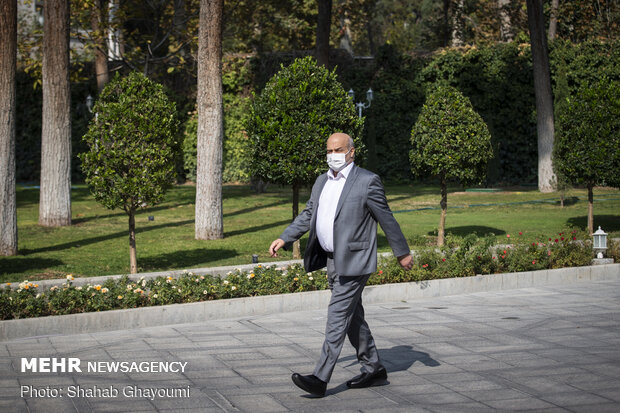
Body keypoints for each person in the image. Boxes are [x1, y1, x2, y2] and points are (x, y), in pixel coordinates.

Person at [269, 132, 413, 397]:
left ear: (351, 152)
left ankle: (320, 378)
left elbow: (387, 218)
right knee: (352, 316)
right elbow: (309, 213)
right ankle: (373, 368)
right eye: (328, 151)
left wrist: (401, 252)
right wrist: (285, 237)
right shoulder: (322, 180)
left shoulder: (368, 181)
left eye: (338, 150)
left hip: (356, 261)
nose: (332, 155)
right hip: (332, 260)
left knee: (337, 316)